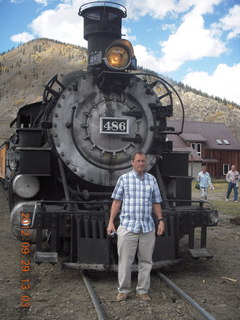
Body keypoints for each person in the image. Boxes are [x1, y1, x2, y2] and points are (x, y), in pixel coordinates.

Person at [107, 151, 164, 302]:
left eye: (143, 161)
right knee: (125, 261)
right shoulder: (124, 179)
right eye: (138, 161)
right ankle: (123, 290)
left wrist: (161, 220)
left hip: (147, 227)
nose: (141, 163)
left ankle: (142, 290)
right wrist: (111, 221)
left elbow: (156, 202)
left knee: (146, 261)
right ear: (132, 163)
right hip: (127, 226)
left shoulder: (152, 180)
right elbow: (116, 202)